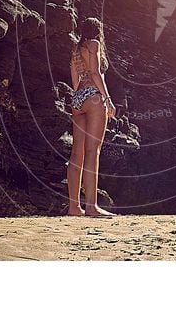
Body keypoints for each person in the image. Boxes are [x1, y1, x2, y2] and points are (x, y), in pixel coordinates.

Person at [66, 17, 116, 216]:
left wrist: (80, 95)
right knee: (92, 151)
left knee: (76, 154)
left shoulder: (76, 49)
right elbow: (95, 73)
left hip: (78, 99)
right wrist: (108, 99)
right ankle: (92, 207)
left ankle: (74, 207)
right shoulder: (94, 44)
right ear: (97, 31)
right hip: (94, 97)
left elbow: (75, 79)